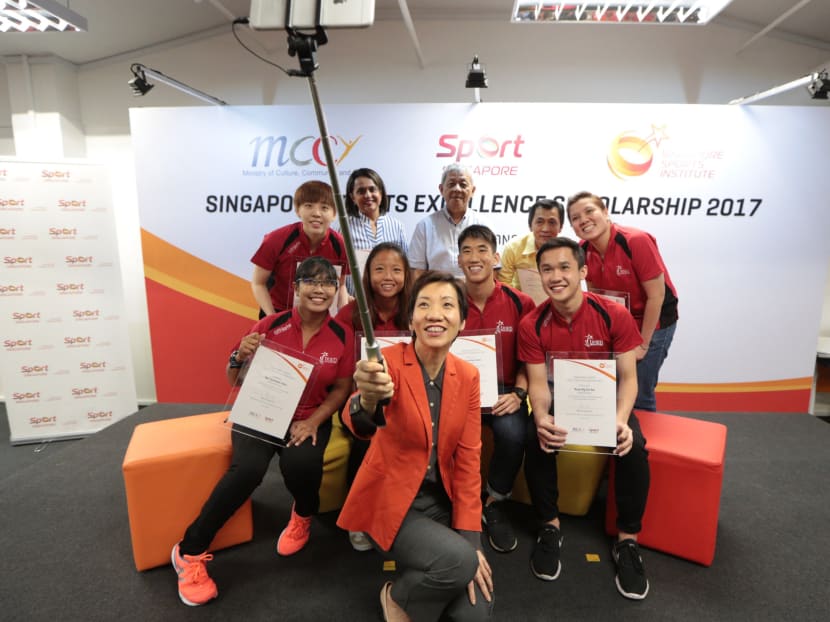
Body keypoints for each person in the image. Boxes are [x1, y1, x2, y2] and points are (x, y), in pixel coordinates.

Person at [171, 257, 354, 607]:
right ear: (296, 287)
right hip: (261, 414)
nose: (319, 289)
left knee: (302, 466)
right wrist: (239, 355)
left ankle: (302, 514)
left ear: (335, 291)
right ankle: (189, 552)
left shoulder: (342, 336)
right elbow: (235, 380)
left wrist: (315, 420)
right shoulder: (270, 324)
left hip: (307, 417)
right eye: (310, 282)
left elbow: (341, 388)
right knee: (248, 471)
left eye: (327, 283)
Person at [337, 272, 494, 622]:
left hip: (441, 504)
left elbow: (469, 461)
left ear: (462, 321)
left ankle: (430, 577)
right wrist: (366, 400)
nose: (435, 314)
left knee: (476, 613)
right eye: (424, 305)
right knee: (458, 565)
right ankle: (396, 595)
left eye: (447, 305)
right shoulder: (389, 363)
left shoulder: (468, 375)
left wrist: (472, 541)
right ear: (411, 320)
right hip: (391, 502)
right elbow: (357, 417)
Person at [517, 237, 651, 600]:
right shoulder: (532, 323)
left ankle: (627, 540)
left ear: (582, 271)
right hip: (562, 399)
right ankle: (549, 525)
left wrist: (621, 420)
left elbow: (629, 379)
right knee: (535, 436)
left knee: (634, 447)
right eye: (547, 269)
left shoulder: (614, 314)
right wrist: (542, 417)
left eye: (564, 268)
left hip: (606, 404)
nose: (555, 276)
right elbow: (537, 385)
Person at [456, 225, 535, 554]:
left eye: (482, 250)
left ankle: (493, 501)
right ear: (458, 260)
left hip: (504, 389)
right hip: (457, 388)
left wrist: (518, 394)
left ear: (496, 257)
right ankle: (457, 503)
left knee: (515, 435)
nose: (475, 257)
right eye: (467, 251)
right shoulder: (449, 299)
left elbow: (531, 360)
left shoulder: (521, 302)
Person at [566, 191, 678, 412]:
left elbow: (656, 296)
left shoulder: (636, 240)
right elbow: (599, 298)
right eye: (576, 218)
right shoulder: (583, 250)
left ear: (605, 212)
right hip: (622, 321)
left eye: (589, 211)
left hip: (655, 319)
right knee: (613, 385)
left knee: (641, 389)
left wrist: (643, 344)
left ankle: (641, 443)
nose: (584, 220)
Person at [334, 242, 413, 552]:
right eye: (380, 269)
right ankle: (359, 516)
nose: (388, 276)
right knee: (364, 435)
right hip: (361, 398)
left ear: (407, 275)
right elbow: (342, 376)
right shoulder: (350, 314)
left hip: (405, 396)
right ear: (367, 275)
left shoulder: (415, 310)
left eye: (396, 269)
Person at [251, 180, 349, 316]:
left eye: (324, 208)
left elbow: (341, 286)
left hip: (319, 316)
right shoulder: (276, 239)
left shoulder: (341, 245)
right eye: (309, 206)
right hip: (278, 312)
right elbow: (258, 283)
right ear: (298, 210)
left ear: (334, 214)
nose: (316, 213)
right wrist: (272, 318)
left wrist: (342, 319)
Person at [409, 164, 485, 279]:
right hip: (435, 294)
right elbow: (416, 273)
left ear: (473, 191)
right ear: (441, 189)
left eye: (463, 184)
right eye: (451, 184)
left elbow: (492, 269)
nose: (457, 189)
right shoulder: (425, 226)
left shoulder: (484, 225)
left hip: (473, 294)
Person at [497, 198, 564, 291]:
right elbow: (503, 284)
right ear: (530, 225)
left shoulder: (568, 251)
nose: (545, 229)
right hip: (521, 302)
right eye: (539, 222)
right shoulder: (513, 248)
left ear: (561, 227)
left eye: (552, 222)